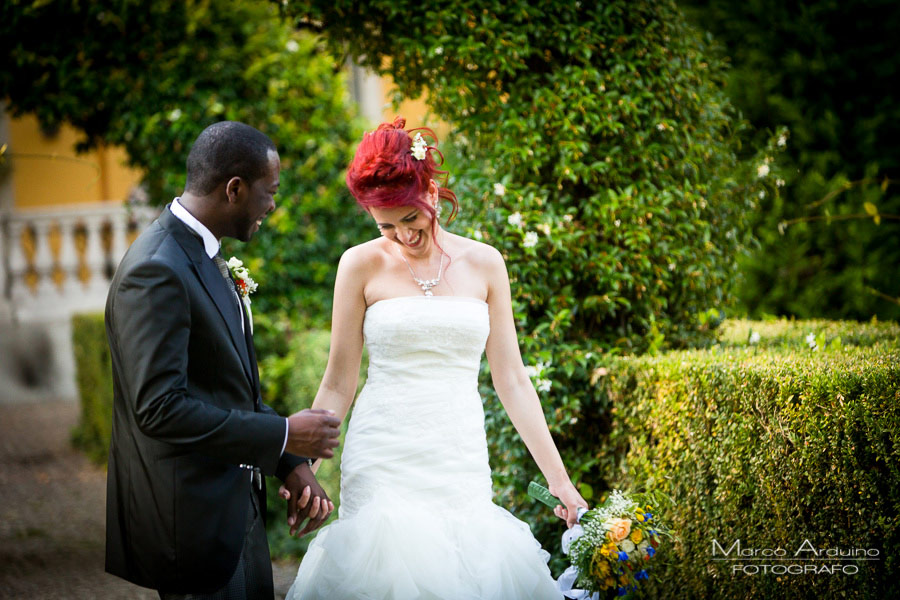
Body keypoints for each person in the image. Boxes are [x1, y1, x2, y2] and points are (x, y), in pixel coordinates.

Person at [286, 117, 588, 600]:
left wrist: (561, 483)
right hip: (382, 453)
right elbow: (339, 383)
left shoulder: (486, 263)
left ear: (431, 190)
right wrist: (301, 470)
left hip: (457, 450)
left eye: (411, 219)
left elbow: (511, 379)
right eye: (385, 226)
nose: (402, 235)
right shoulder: (359, 264)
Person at [104, 121, 342, 599]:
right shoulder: (156, 268)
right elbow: (159, 408)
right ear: (234, 189)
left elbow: (227, 387)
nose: (272, 206)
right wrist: (283, 433)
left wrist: (289, 461)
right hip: (194, 528)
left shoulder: (199, 253)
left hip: (234, 514)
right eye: (268, 192)